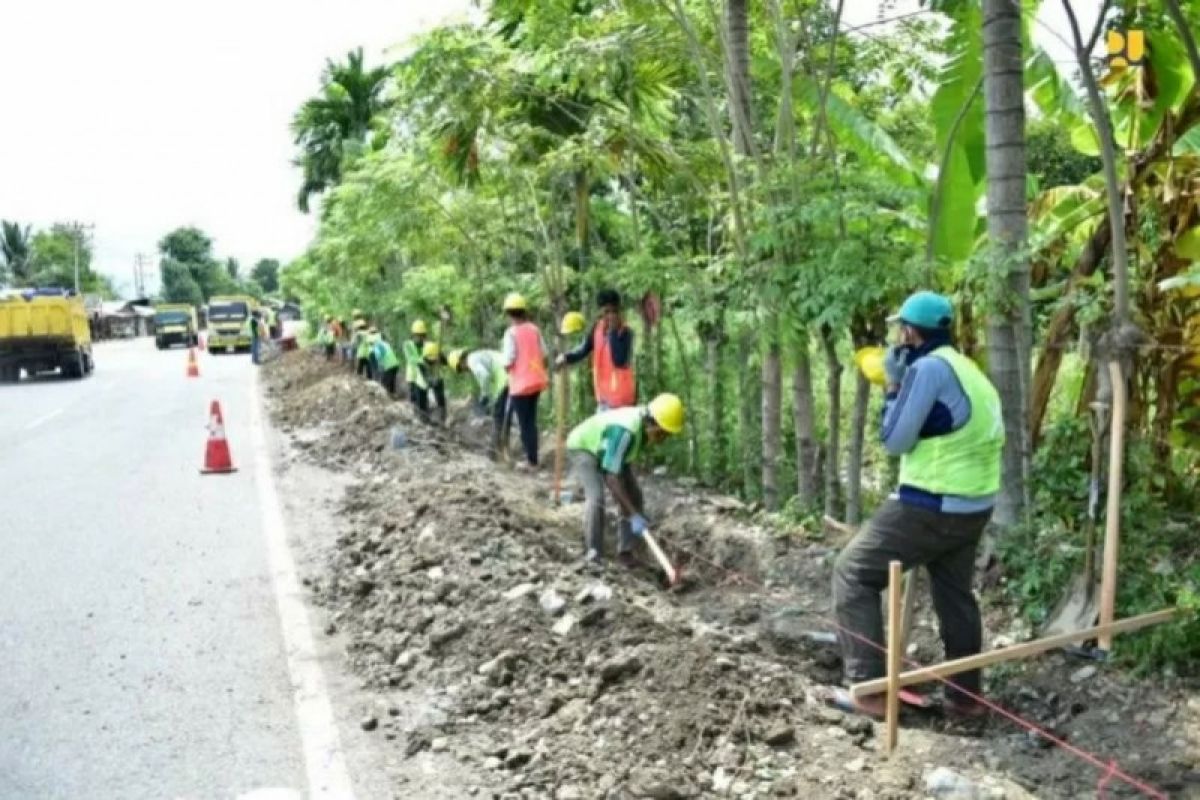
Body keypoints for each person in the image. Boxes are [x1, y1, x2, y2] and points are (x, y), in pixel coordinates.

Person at [824, 291, 1003, 720]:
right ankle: (966, 699)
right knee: (955, 595)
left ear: (910, 331)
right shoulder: (967, 368)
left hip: (931, 502)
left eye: (900, 328)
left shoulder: (926, 369)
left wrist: (893, 385)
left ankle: (868, 690)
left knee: (852, 573)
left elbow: (895, 440)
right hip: (974, 505)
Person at [566, 393, 685, 566]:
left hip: (607, 449)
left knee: (634, 495)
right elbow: (611, 477)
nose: (663, 439)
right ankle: (593, 554)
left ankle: (625, 552)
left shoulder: (642, 429)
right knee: (596, 498)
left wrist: (631, 509)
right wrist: (633, 514)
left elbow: (616, 465)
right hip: (584, 447)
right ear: (653, 424)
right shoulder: (625, 431)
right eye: (662, 434)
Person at [555, 288, 636, 410]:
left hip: (621, 401)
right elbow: (583, 349)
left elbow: (619, 360)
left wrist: (613, 331)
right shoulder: (597, 328)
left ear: (619, 310)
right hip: (603, 398)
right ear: (601, 312)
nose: (610, 316)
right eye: (606, 312)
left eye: (613, 311)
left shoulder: (625, 332)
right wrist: (566, 357)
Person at [500, 293, 549, 469]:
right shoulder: (534, 329)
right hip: (536, 382)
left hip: (520, 385)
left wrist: (507, 368)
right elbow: (544, 354)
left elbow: (508, 360)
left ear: (508, 313)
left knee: (524, 423)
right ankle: (533, 457)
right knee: (531, 421)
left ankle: (531, 461)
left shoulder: (511, 333)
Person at [449, 347, 508, 451]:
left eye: (461, 369)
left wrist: (485, 395)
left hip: (503, 379)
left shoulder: (472, 361)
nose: (464, 371)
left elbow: (484, 376)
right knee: (505, 413)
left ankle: (495, 449)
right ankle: (503, 446)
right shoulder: (479, 355)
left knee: (498, 417)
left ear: (461, 362)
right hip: (510, 375)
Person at [420, 342, 448, 423]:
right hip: (426, 382)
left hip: (438, 380)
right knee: (425, 398)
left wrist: (440, 357)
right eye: (430, 359)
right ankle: (426, 416)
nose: (432, 361)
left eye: (434, 359)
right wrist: (430, 381)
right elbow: (424, 377)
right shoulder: (421, 363)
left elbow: (446, 362)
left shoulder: (439, 356)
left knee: (440, 398)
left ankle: (442, 416)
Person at [403, 320, 429, 406]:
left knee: (423, 401)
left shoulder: (425, 346)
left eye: (422, 336)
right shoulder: (407, 344)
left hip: (423, 378)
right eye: (419, 336)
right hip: (412, 378)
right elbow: (410, 359)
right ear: (414, 335)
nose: (421, 338)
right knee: (414, 401)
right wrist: (423, 360)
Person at [373, 330, 401, 396]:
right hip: (395, 364)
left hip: (388, 365)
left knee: (385, 383)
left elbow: (379, 357)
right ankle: (393, 394)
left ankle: (387, 397)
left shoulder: (377, 346)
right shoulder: (386, 344)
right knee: (392, 381)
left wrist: (380, 368)